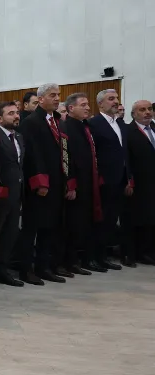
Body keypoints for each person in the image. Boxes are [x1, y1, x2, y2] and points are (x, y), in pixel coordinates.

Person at [17, 83, 68, 284]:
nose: (57, 99)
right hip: (38, 185)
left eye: (58, 95)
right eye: (52, 95)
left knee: (50, 226)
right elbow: (32, 154)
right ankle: (25, 268)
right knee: (32, 227)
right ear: (40, 99)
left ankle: (44, 266)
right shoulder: (31, 122)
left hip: (57, 180)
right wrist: (40, 182)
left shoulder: (58, 121)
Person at [86, 89, 129, 271]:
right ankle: (92, 257)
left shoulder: (119, 123)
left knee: (111, 220)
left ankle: (103, 255)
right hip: (103, 180)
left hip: (119, 179)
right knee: (98, 220)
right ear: (100, 104)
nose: (116, 102)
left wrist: (129, 178)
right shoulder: (94, 124)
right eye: (111, 99)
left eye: (116, 98)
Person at [61, 93, 102, 275]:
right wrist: (71, 183)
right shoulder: (67, 127)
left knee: (86, 222)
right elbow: (66, 157)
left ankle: (84, 258)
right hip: (76, 183)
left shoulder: (86, 126)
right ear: (71, 108)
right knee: (73, 224)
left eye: (87, 104)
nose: (87, 108)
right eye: (83, 105)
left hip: (89, 180)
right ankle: (70, 260)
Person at [0, 101, 27, 286]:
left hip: (16, 192)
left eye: (17, 113)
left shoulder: (19, 137)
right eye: (10, 113)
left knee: (10, 233)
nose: (16, 116)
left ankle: (1, 268)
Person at [122, 100, 155, 265]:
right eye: (142, 110)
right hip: (139, 182)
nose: (147, 112)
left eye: (149, 109)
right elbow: (126, 158)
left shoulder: (154, 129)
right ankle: (137, 252)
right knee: (139, 218)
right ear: (134, 114)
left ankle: (150, 250)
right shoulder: (128, 131)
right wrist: (129, 179)